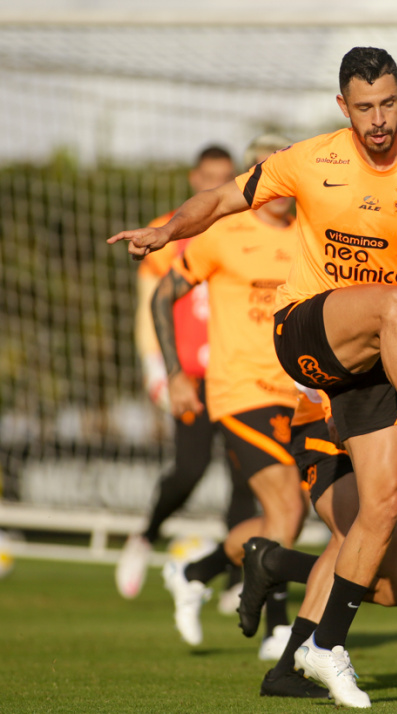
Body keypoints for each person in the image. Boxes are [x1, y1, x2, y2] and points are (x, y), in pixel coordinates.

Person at [109, 47, 397, 708]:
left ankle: (315, 650)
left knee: (396, 559)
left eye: (387, 104)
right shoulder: (309, 160)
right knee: (388, 312)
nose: (377, 120)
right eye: (363, 107)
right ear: (341, 106)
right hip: (303, 338)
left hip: (374, 369)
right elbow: (220, 198)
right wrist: (165, 231)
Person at [241, 239, 397, 699]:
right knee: (354, 527)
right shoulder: (366, 238)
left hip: (381, 419)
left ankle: (273, 562)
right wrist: (328, 399)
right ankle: (291, 667)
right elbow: (320, 328)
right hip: (322, 412)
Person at [149, 135, 308, 658]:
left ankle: (197, 570)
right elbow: (162, 293)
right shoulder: (223, 234)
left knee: (288, 514)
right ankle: (279, 626)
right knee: (285, 500)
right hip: (237, 392)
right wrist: (174, 373)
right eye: (268, 171)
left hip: (297, 394)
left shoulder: (309, 236)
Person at [115, 145, 256, 612]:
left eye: (225, 175)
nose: (216, 182)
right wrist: (158, 371)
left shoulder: (244, 228)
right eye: (209, 176)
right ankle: (145, 536)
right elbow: (149, 306)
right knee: (190, 470)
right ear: (195, 178)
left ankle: (236, 580)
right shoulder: (169, 230)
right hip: (189, 377)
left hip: (237, 375)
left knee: (244, 477)